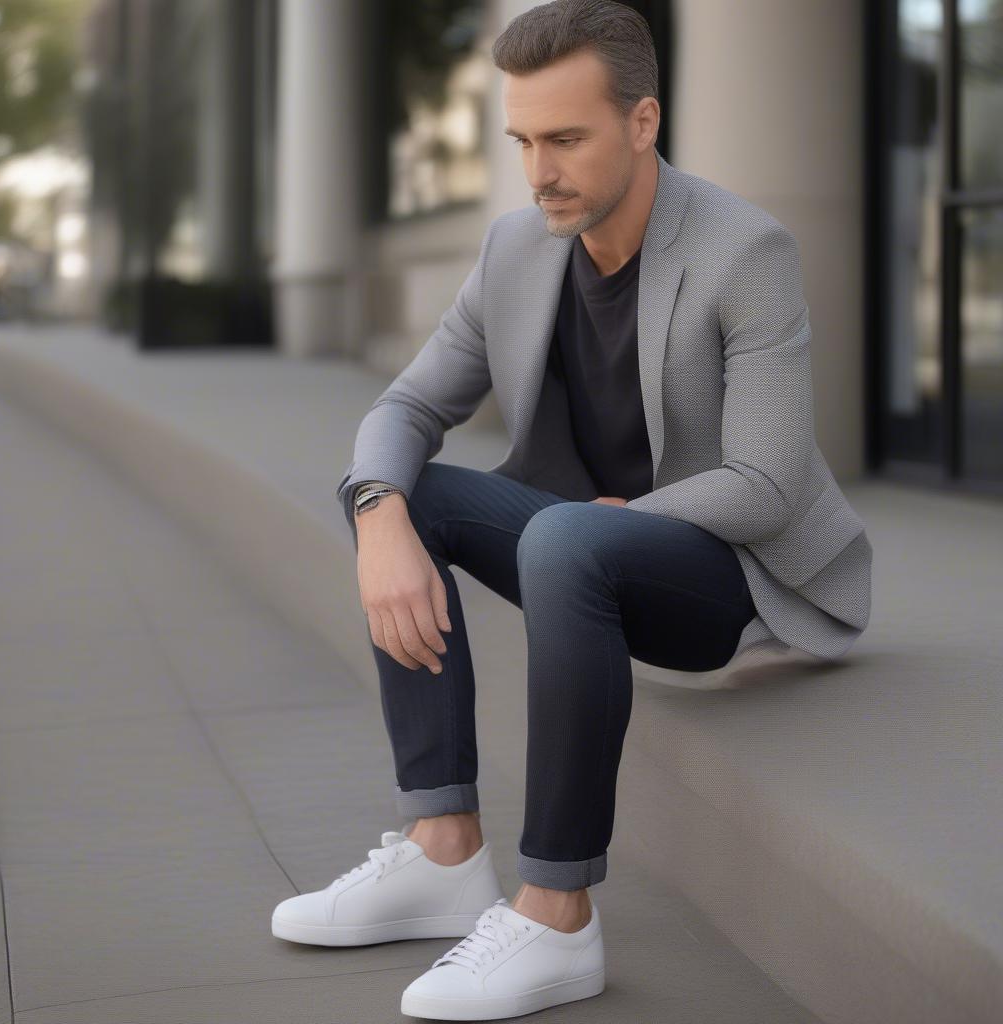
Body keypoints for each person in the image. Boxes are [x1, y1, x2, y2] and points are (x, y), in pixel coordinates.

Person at [271, 1, 873, 1018]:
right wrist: (376, 516)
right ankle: (442, 849)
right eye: (521, 141)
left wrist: (627, 512)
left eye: (565, 139)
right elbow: (409, 405)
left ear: (643, 123)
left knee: (562, 531)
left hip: (719, 569)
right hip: (575, 545)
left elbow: (765, 482)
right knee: (410, 488)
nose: (538, 169)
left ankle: (557, 914)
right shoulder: (517, 248)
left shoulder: (744, 252)